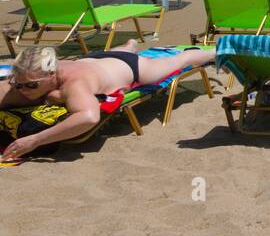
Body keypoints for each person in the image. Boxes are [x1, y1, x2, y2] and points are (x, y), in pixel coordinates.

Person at [0, 41, 214, 161]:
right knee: (107, 55)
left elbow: (89, 117)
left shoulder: (75, 84)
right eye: (18, 84)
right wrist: (22, 87)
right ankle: (128, 45)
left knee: (179, 60)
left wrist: (34, 140)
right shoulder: (31, 76)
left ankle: (213, 51)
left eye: (31, 85)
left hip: (131, 67)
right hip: (96, 58)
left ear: (52, 74)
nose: (23, 90)